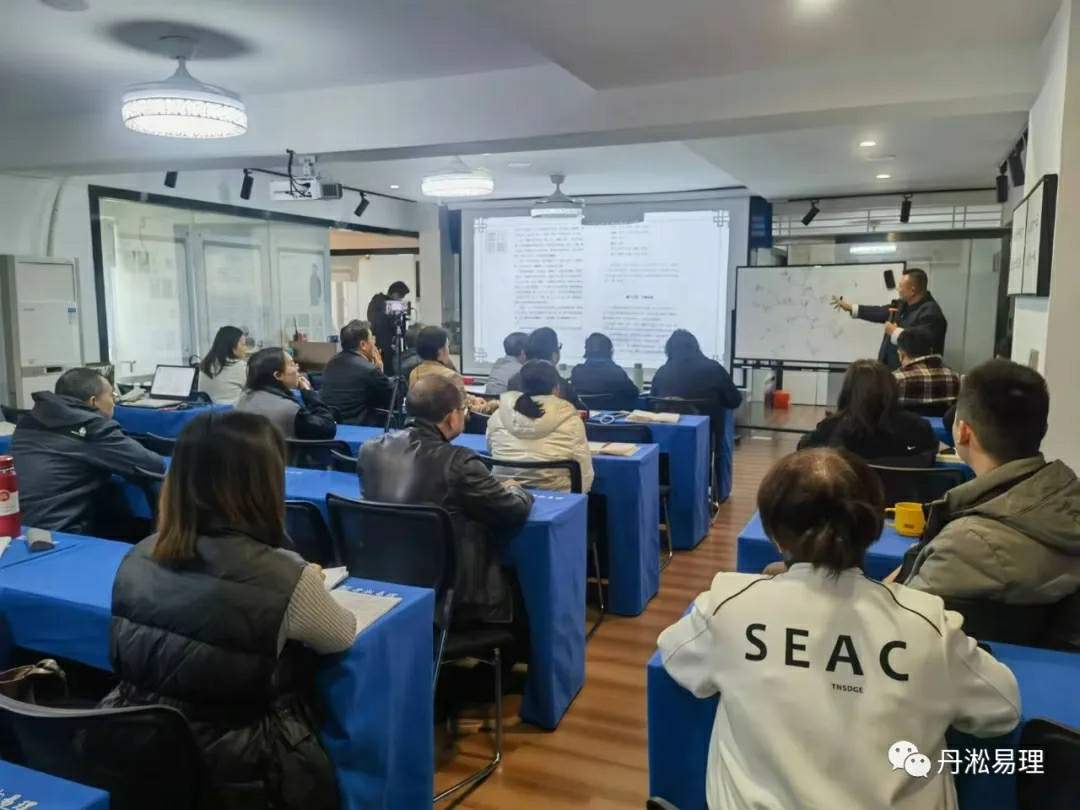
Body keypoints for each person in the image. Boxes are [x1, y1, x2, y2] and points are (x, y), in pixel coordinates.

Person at [658, 448, 1020, 810]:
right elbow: (1002, 708)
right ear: (872, 529)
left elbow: (676, 657)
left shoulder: (728, 606)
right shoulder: (927, 625)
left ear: (775, 535)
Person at [100, 411, 355, 809]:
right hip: (247, 768)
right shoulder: (285, 576)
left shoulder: (138, 555)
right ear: (264, 483)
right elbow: (341, 635)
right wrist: (307, 583)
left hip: (140, 754)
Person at [898, 359, 1080, 647]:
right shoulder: (1066, 499)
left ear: (963, 432)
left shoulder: (965, 545)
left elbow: (899, 630)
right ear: (1042, 429)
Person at [359, 375, 533, 624]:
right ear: (452, 416)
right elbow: (512, 510)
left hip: (384, 578)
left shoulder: (370, 450)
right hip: (452, 592)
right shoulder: (459, 462)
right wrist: (517, 489)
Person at [10, 367, 165, 534]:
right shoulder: (92, 427)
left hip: (13, 528)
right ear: (93, 402)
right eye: (111, 396)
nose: (114, 402)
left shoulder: (30, 419)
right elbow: (153, 464)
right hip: (57, 534)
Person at [486, 359, 594, 493]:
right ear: (557, 388)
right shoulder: (570, 419)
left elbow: (491, 449)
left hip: (505, 493)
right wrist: (577, 499)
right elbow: (584, 471)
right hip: (558, 496)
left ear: (521, 386)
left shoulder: (499, 415)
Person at [798, 359, 937, 461]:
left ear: (848, 391)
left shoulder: (831, 428)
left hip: (849, 493)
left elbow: (803, 452)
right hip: (903, 493)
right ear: (891, 388)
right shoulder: (917, 427)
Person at [831, 267, 947, 371]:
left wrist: (895, 332)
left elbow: (922, 342)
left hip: (913, 377)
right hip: (890, 371)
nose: (897, 289)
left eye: (901, 286)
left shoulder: (931, 313)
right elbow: (879, 312)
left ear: (912, 290)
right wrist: (850, 307)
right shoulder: (903, 304)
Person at [235, 348, 336, 440]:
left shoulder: (243, 399)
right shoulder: (289, 409)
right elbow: (328, 428)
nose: (297, 367)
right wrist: (308, 392)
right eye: (292, 364)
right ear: (278, 375)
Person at [318, 320, 393, 425]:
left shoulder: (330, 364)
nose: (374, 343)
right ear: (363, 344)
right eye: (372, 339)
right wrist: (380, 370)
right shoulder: (369, 370)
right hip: (362, 429)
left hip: (331, 427)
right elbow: (392, 401)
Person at [409, 325, 497, 414]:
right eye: (447, 346)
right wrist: (489, 406)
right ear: (440, 351)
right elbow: (463, 412)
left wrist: (472, 399)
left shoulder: (414, 373)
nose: (449, 351)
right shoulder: (451, 376)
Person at [507, 327, 586, 410]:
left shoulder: (513, 381)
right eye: (559, 347)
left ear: (525, 355)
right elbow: (582, 411)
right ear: (554, 356)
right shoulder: (560, 384)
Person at [893, 328, 960, 417]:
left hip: (906, 426)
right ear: (931, 351)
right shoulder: (954, 378)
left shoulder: (894, 380)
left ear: (901, 355)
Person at [570, 332, 640, 411]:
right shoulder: (616, 372)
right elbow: (634, 393)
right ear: (610, 351)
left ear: (586, 350)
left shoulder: (577, 372)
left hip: (583, 417)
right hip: (613, 417)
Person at [197, 325, 249, 405]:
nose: (246, 348)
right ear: (233, 346)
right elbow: (254, 391)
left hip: (207, 411)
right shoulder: (240, 366)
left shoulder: (205, 364)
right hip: (234, 411)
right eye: (243, 344)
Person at [366, 280, 410, 371]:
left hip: (380, 342)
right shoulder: (383, 305)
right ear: (395, 294)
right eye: (401, 297)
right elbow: (390, 324)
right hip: (385, 344)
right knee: (388, 368)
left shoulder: (376, 302)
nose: (400, 301)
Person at [486, 331, 528, 396]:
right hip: (505, 401)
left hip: (490, 400)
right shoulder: (521, 370)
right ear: (523, 352)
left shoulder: (498, 362)